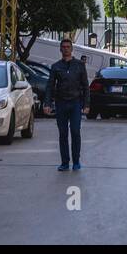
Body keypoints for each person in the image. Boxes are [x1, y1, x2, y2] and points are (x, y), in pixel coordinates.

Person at [46, 38, 88, 171]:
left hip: (76, 103)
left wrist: (86, 104)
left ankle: (76, 161)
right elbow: (50, 87)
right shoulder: (56, 67)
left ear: (71, 49)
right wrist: (47, 103)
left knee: (75, 132)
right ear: (60, 49)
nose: (65, 49)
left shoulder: (80, 65)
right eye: (63, 47)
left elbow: (86, 86)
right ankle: (65, 162)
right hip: (61, 104)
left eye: (68, 47)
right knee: (63, 134)